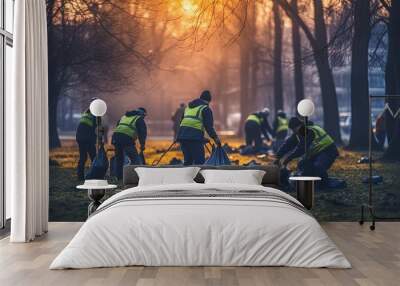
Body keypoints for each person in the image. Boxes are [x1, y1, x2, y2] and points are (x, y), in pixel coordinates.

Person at [274, 117, 339, 183]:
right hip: (316, 154)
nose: (294, 131)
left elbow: (301, 149)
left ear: (299, 125)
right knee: (302, 165)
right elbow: (288, 144)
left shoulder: (308, 131)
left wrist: (288, 159)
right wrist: (278, 156)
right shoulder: (299, 132)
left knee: (318, 166)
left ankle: (324, 182)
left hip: (328, 151)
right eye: (292, 130)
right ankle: (316, 180)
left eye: (294, 129)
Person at [177, 90, 221, 165]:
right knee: (199, 162)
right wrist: (216, 139)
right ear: (208, 101)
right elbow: (209, 127)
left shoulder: (188, 108)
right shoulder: (205, 109)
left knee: (188, 162)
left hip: (182, 138)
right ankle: (199, 177)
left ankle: (187, 176)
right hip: (194, 139)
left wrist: (200, 136)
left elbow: (182, 122)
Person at [112, 107, 147, 179]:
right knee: (135, 159)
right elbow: (142, 133)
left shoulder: (124, 117)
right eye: (144, 116)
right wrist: (142, 145)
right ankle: (136, 177)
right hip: (126, 139)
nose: (144, 118)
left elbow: (118, 127)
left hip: (116, 138)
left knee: (119, 159)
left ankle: (119, 177)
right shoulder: (139, 119)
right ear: (142, 114)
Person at [76, 104, 97, 180]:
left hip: (79, 137)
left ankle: (80, 176)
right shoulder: (94, 116)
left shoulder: (86, 114)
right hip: (87, 138)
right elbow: (96, 128)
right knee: (94, 157)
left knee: (83, 157)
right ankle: (95, 175)